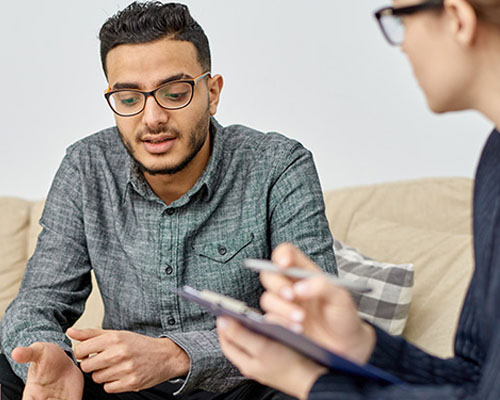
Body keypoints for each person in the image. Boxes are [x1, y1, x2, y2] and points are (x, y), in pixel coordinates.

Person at [0, 2, 336, 399]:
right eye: (129, 99)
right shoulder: (86, 166)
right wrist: (50, 356)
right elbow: (35, 305)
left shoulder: (278, 164)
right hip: (128, 389)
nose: (153, 118)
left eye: (174, 93)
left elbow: (315, 324)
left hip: (249, 384)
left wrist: (177, 354)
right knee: (16, 367)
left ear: (212, 93)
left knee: (322, 385)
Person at [217, 0, 500, 398]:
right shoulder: (495, 158)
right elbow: (474, 378)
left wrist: (309, 382)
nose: (402, 45)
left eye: (400, 19)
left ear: (458, 18)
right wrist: (363, 345)